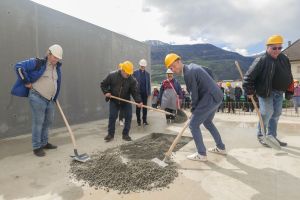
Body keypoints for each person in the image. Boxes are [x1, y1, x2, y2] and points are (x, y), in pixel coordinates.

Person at [164, 53, 226, 161]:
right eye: (170, 68)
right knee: (207, 122)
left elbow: (194, 94)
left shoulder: (188, 73)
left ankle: (201, 154)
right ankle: (221, 147)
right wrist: (211, 86)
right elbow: (209, 71)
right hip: (217, 95)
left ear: (179, 61)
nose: (172, 70)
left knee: (193, 125)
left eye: (173, 66)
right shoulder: (192, 66)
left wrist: (193, 111)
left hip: (209, 98)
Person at [11, 44, 63, 157]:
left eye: (58, 58)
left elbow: (56, 83)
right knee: (38, 123)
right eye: (54, 57)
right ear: (48, 54)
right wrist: (26, 82)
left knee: (48, 122)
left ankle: (44, 143)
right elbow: (18, 67)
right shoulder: (38, 62)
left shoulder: (57, 68)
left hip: (50, 100)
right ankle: (36, 147)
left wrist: (55, 95)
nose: (56, 59)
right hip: (37, 97)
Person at [243, 35, 294, 147]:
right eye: (274, 48)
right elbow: (248, 77)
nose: (277, 50)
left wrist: (290, 90)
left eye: (279, 48)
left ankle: (272, 136)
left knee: (276, 114)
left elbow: (289, 75)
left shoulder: (284, 58)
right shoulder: (261, 60)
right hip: (265, 92)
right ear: (268, 47)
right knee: (267, 113)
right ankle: (261, 136)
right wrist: (249, 90)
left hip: (279, 92)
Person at [100, 61, 142, 142]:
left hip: (125, 100)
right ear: (122, 70)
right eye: (127, 73)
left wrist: (138, 101)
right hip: (114, 99)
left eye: (130, 73)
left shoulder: (132, 79)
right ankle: (110, 135)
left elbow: (135, 92)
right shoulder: (112, 75)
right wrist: (106, 92)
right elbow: (103, 84)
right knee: (113, 116)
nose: (129, 74)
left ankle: (125, 134)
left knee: (129, 116)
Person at [133, 59, 151, 126]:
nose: (142, 67)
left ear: (145, 66)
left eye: (144, 66)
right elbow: (132, 83)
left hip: (145, 93)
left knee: (145, 107)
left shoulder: (147, 74)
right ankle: (138, 121)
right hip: (138, 93)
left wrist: (149, 93)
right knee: (138, 107)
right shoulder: (135, 73)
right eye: (142, 66)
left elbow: (148, 84)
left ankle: (144, 121)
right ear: (140, 65)